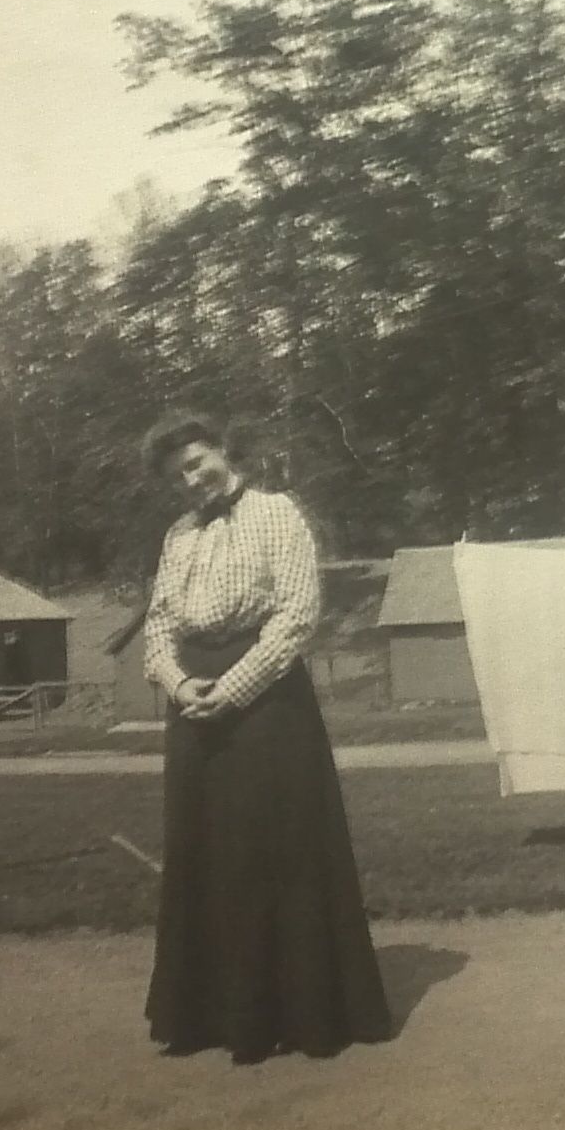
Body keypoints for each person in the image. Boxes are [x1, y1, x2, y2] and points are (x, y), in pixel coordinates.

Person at [137, 410, 394, 1061]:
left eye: (196, 463)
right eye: (177, 476)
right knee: (204, 849)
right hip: (192, 701)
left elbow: (297, 616)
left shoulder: (278, 513)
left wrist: (231, 690)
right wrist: (177, 682)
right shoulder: (178, 535)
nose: (191, 481)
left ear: (223, 446)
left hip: (266, 701)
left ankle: (300, 1013)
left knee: (274, 848)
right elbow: (160, 623)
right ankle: (214, 1016)